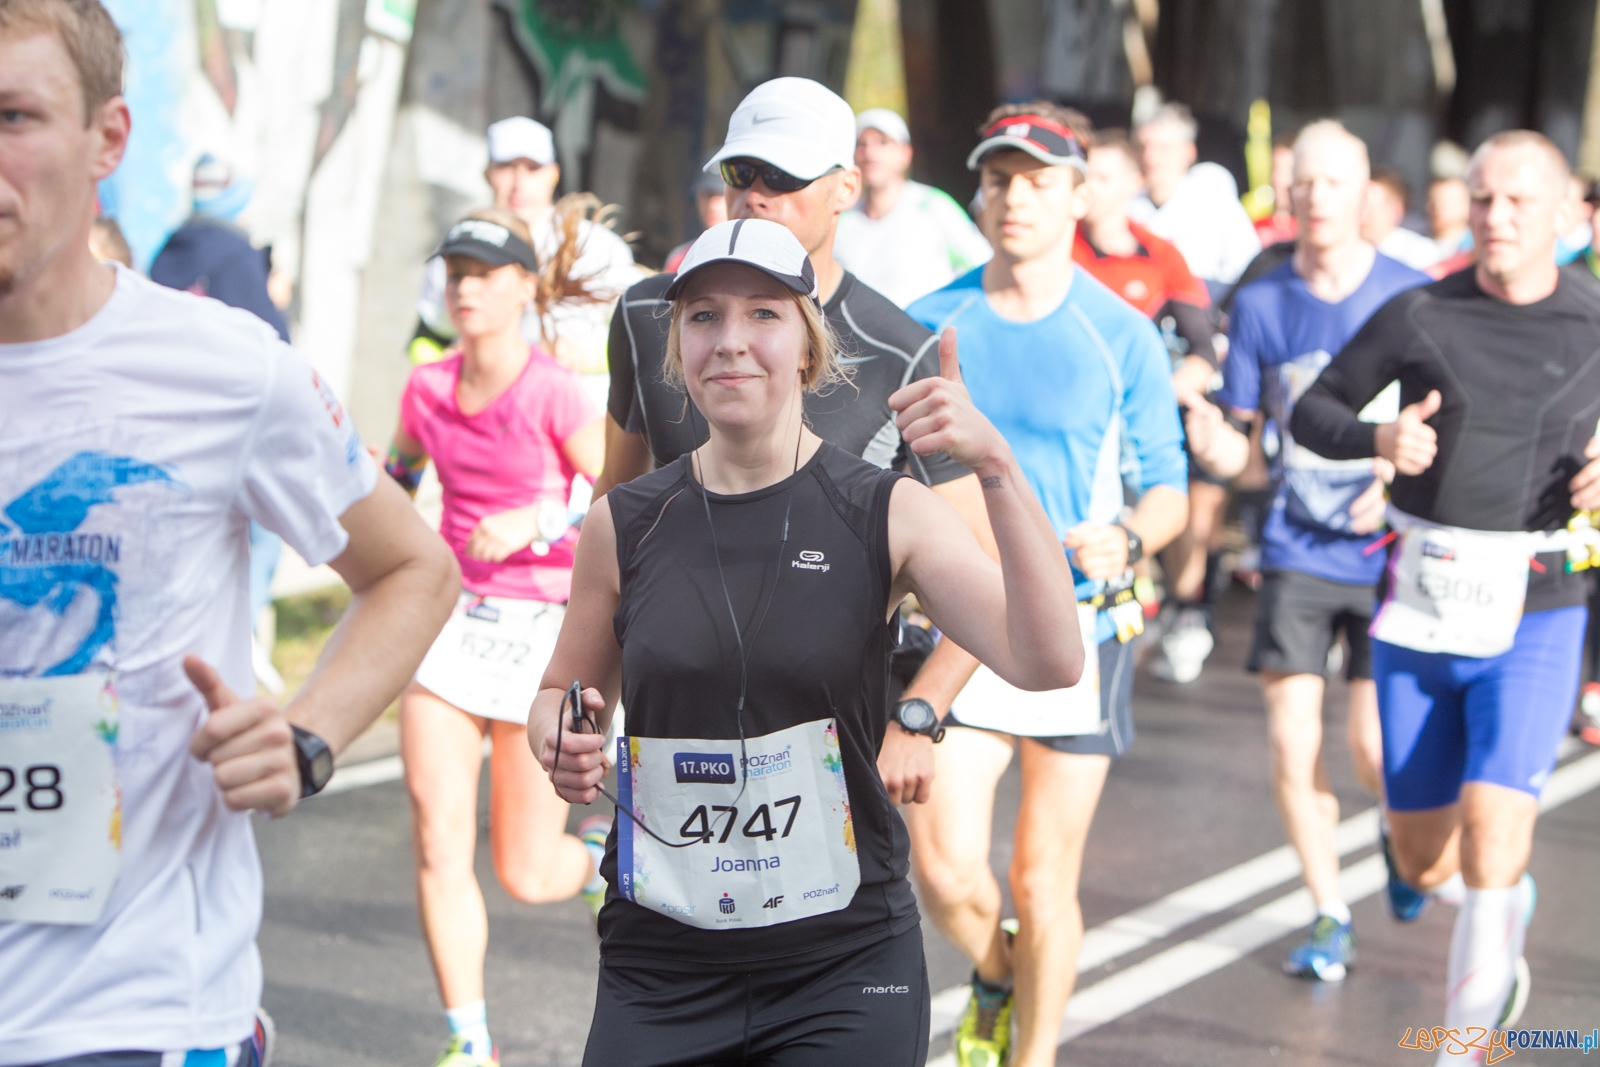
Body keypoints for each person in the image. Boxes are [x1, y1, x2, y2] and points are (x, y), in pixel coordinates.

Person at [0, 4, 460, 1065]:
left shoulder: (223, 368)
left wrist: (306, 735)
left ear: (107, 138)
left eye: (15, 114)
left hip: (135, 1014)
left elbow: (412, 568)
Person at [530, 217, 1084, 1066]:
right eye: (705, 317)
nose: (732, 340)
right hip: (663, 958)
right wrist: (561, 738)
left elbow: (1048, 659)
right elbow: (558, 694)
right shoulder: (625, 524)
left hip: (841, 962)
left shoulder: (884, 507)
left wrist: (999, 469)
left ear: (808, 349)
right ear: (677, 349)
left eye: (764, 314)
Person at [595, 78, 1000, 825]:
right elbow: (612, 509)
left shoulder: (899, 352)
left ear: (848, 186)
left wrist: (919, 712)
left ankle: (1004, 949)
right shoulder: (649, 313)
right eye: (740, 173)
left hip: (829, 720)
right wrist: (586, 702)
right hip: (679, 710)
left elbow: (984, 565)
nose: (756, 194)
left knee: (942, 880)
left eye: (783, 177)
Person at [1290, 130, 1600, 1059]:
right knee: (1427, 854)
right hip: (1421, 607)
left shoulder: (1595, 318)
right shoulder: (1420, 312)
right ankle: (1478, 909)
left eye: (1516, 202)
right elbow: (1316, 409)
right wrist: (1377, 444)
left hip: (1540, 606)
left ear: (1565, 215)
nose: (1496, 218)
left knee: (1498, 831)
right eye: (1481, 199)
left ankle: (1462, 1043)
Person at [906, 104, 1190, 1067]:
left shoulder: (1123, 334)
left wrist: (1128, 534)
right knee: (940, 862)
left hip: (1082, 622)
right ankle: (994, 969)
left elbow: (1171, 492)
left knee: (1040, 872)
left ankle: (1034, 1056)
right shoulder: (928, 320)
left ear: (1078, 195)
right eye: (998, 179)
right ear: (978, 194)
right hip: (962, 624)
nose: (1014, 197)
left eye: (1036, 180)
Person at [1184, 120, 1431, 983]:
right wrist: (1214, 445)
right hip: (1295, 545)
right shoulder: (1261, 303)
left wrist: (1401, 485)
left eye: (1334, 183)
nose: (1317, 197)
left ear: (1366, 195)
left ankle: (1405, 841)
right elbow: (1247, 450)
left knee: (1374, 751)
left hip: (1390, 552)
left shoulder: (1415, 294)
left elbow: (1453, 430)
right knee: (1293, 745)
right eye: (1304, 183)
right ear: (1286, 197)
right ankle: (1329, 910)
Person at [387, 208, 607, 1067]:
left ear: (524, 287)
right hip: (445, 629)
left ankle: (591, 859)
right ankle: (469, 1041)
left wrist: (538, 519)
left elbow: (623, 495)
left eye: (484, 273)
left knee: (523, 868)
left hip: (537, 637)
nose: (466, 287)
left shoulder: (552, 389)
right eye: (455, 273)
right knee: (439, 838)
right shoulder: (427, 387)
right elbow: (398, 480)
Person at [1075, 128, 1222, 683]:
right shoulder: (1055, 250)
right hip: (1076, 424)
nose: (1092, 186)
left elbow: (1204, 349)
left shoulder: (1161, 255)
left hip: (1138, 426)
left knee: (1160, 514)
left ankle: (1174, 617)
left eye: (1107, 175)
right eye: (1086, 173)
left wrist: (1166, 388)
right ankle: (1114, 630)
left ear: (1135, 183)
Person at [150, 153, 294, 689]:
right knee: (264, 531)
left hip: (169, 421)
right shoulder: (237, 255)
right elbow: (272, 342)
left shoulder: (167, 250)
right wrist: (276, 295)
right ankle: (243, 635)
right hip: (236, 425)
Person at [411, 116, 638, 406]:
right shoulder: (460, 250)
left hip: (582, 423)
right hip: (487, 422)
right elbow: (426, 338)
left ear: (553, 174)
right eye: (506, 167)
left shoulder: (596, 246)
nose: (518, 183)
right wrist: (442, 371)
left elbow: (644, 339)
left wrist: (586, 357)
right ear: (487, 173)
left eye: (532, 168)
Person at [833, 107, 992, 308]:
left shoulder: (934, 207)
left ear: (905, 153)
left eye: (883, 142)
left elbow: (982, 267)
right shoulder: (840, 217)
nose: (870, 153)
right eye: (862, 144)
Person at [1129, 102, 1261, 298]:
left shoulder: (1213, 198)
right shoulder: (1127, 205)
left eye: (1163, 148)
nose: (1150, 157)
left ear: (1189, 152)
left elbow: (1248, 266)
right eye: (1143, 147)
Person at [1360, 167, 1443, 272]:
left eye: (1370, 210)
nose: (1362, 215)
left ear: (1396, 211)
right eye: (1360, 207)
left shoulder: (1421, 253)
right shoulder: (1347, 251)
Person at [663, 167, 728, 273]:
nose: (712, 205)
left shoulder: (752, 254)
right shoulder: (680, 258)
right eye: (706, 195)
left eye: (721, 194)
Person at [1254, 135, 1299, 247]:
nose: (1283, 181)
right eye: (1276, 169)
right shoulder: (1256, 228)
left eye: (1289, 170)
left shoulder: (1312, 229)